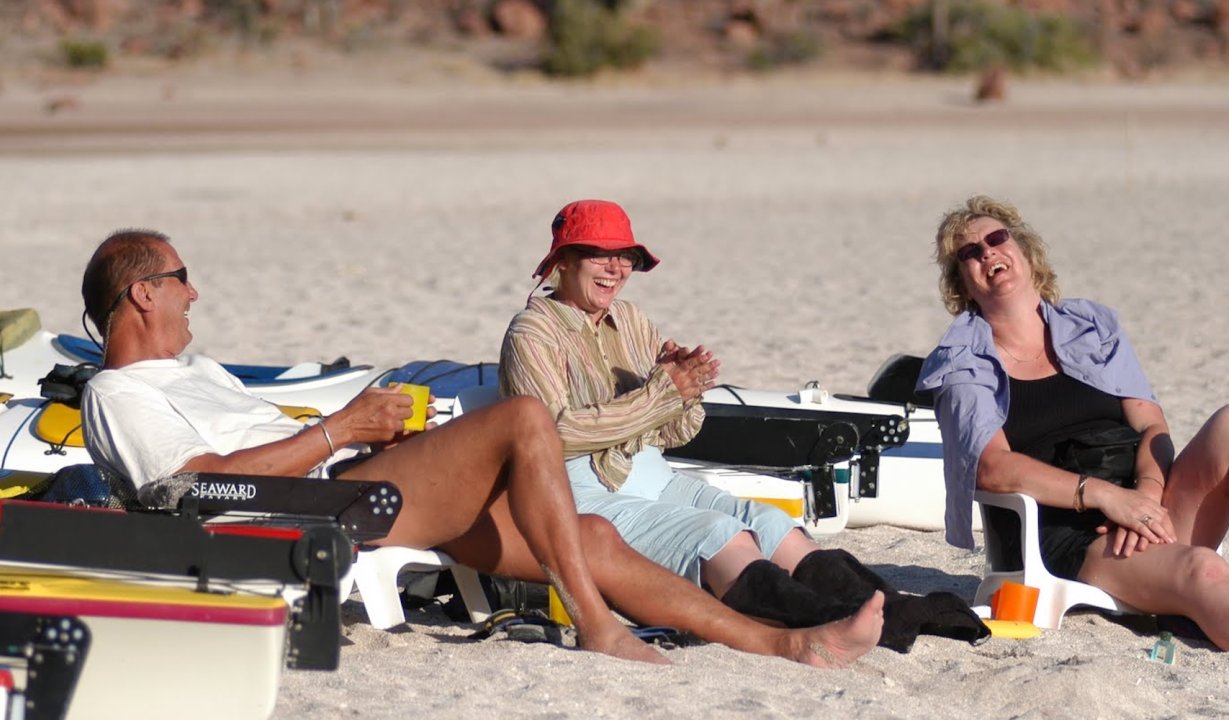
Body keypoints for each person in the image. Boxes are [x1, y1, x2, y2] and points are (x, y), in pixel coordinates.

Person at [78, 228, 886, 668]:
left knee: (594, 535)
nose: (194, 291)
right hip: (312, 501)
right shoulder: (120, 394)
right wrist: (340, 431)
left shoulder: (198, 371)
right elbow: (186, 487)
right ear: (143, 292)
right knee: (527, 417)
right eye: (181, 277)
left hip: (350, 479)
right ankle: (595, 622)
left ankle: (788, 642)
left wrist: (369, 428)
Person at [500, 200, 987, 649]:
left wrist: (684, 394)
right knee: (718, 533)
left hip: (651, 473)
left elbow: (675, 433)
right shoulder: (533, 332)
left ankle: (898, 612)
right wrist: (661, 394)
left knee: (770, 523)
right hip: (582, 492)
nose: (616, 268)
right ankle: (833, 624)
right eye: (600, 255)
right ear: (563, 261)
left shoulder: (629, 320)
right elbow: (553, 436)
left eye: (625, 255)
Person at [916, 195, 1229, 662]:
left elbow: (1151, 423)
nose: (986, 252)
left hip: (1148, 508)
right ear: (962, 283)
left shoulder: (1089, 327)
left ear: (1025, 252)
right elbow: (993, 468)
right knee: (1204, 571)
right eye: (969, 253)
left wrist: (1145, 494)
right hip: (1075, 537)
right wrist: (1108, 497)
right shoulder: (962, 363)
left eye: (996, 239)